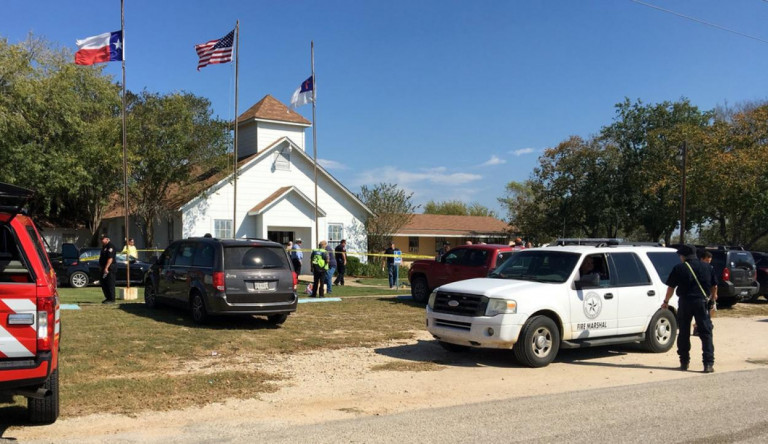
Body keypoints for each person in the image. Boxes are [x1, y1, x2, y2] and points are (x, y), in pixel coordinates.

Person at [661, 244, 715, 373]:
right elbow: (714, 286)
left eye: (680, 255)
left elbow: (671, 288)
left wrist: (666, 302)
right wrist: (712, 300)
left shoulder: (679, 268)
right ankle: (708, 364)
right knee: (706, 333)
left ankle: (684, 362)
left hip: (685, 302)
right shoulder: (707, 267)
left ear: (684, 256)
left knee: (684, 333)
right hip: (701, 302)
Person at [693, 249, 718, 336]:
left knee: (712, 309)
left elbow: (714, 284)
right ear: (702, 259)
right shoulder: (697, 268)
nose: (708, 262)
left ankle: (706, 323)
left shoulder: (710, 268)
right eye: (707, 260)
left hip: (709, 292)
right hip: (701, 294)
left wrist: (714, 294)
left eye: (710, 261)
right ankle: (697, 327)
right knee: (701, 311)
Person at [99, 234, 117, 304]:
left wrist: (106, 268)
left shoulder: (110, 246)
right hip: (104, 267)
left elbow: (110, 259)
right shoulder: (104, 247)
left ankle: (112, 299)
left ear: (107, 239)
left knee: (110, 283)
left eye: (103, 239)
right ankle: (108, 298)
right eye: (101, 239)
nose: (101, 240)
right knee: (104, 283)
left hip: (110, 267)